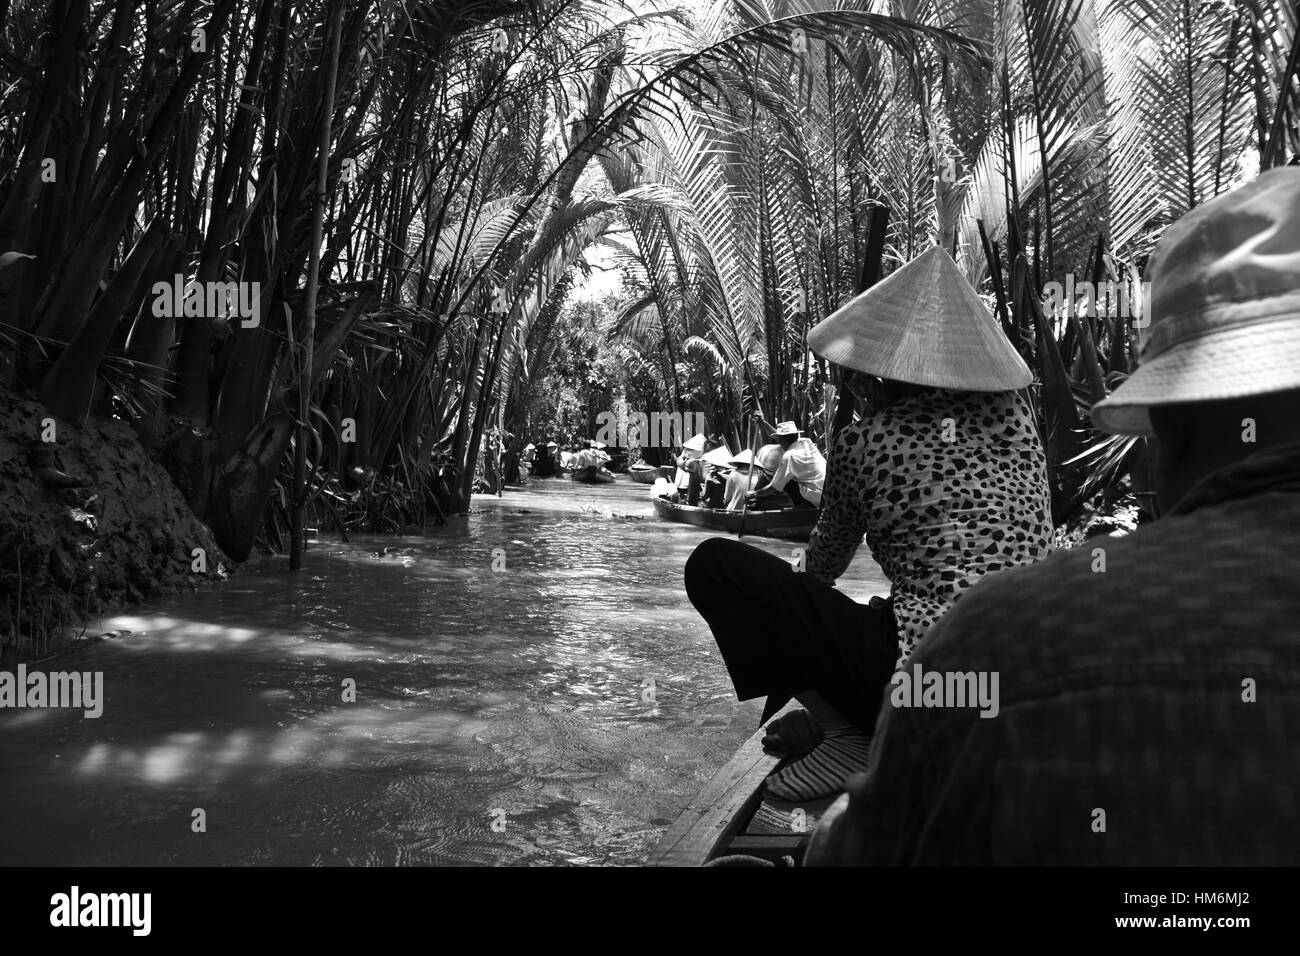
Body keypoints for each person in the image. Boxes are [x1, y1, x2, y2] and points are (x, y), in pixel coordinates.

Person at [806, 166, 1300, 866]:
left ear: (1166, 433)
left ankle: (829, 728)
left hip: (923, 657)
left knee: (729, 572)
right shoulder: (1014, 422)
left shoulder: (1004, 637)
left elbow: (823, 567)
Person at [685, 245, 1053, 801]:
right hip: (1030, 680)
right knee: (895, 608)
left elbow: (824, 568)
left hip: (924, 678)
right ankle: (847, 717)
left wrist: (795, 647)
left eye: (858, 385)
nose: (855, 395)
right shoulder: (1021, 421)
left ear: (880, 381)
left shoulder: (864, 441)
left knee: (715, 566)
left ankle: (846, 733)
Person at [746, 420, 825, 509]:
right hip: (827, 493)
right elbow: (784, 438)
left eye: (779, 440)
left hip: (816, 499)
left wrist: (753, 494)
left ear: (781, 440)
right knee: (784, 477)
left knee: (770, 476)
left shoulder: (789, 457)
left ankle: (803, 507)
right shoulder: (807, 442)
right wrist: (764, 423)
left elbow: (774, 487)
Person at [722, 445, 782, 511]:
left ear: (738, 464)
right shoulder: (761, 476)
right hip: (753, 511)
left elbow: (727, 498)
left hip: (735, 510)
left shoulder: (733, 474)